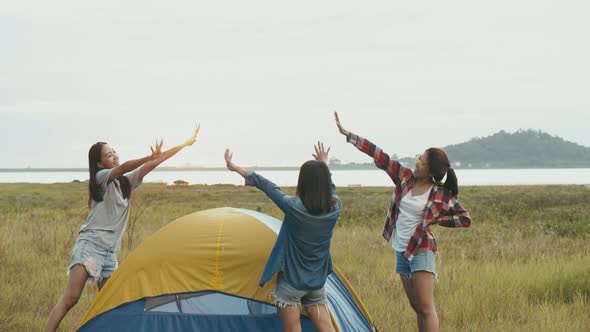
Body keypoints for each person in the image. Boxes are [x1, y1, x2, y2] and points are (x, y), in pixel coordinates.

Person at [45, 125, 200, 332]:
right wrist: (148, 156)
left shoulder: (128, 182)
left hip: (110, 253)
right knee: (71, 298)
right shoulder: (101, 179)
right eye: (109, 155)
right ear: (100, 164)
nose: (114, 156)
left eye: (114, 151)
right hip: (90, 246)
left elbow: (157, 161)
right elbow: (124, 167)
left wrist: (184, 144)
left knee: (112, 304)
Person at [334, 112, 471, 332]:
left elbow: (464, 218)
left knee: (426, 308)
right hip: (402, 249)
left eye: (421, 161)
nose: (416, 162)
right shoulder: (405, 177)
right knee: (415, 306)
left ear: (430, 170)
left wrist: (433, 220)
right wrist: (350, 135)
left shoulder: (439, 193)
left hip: (422, 249)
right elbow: (381, 156)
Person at [224, 142, 340, 332]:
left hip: (291, 284)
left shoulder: (293, 207)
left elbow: (268, 186)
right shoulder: (335, 208)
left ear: (303, 182)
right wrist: (324, 165)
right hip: (316, 282)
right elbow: (330, 190)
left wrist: (235, 168)